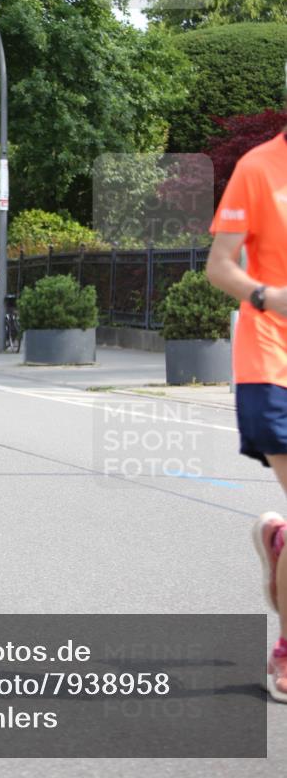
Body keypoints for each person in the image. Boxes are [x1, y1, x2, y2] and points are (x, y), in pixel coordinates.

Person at [206, 124, 287, 702]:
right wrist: (265, 295)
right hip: (272, 358)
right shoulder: (259, 168)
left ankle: (279, 541)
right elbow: (220, 264)